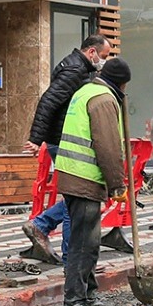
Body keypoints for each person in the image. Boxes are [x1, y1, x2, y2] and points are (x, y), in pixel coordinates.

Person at [22, 33, 111, 264]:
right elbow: (49, 101)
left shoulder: (78, 67)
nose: (104, 61)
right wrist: (36, 138)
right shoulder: (75, 71)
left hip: (63, 139)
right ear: (91, 52)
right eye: (103, 56)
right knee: (78, 195)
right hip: (64, 140)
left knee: (76, 195)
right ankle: (72, 259)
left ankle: (42, 226)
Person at [53, 56, 131, 306]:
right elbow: (107, 147)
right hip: (84, 178)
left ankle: (88, 295)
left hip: (72, 174)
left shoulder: (85, 91)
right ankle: (74, 301)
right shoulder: (104, 100)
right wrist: (117, 184)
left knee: (89, 241)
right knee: (84, 243)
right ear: (121, 84)